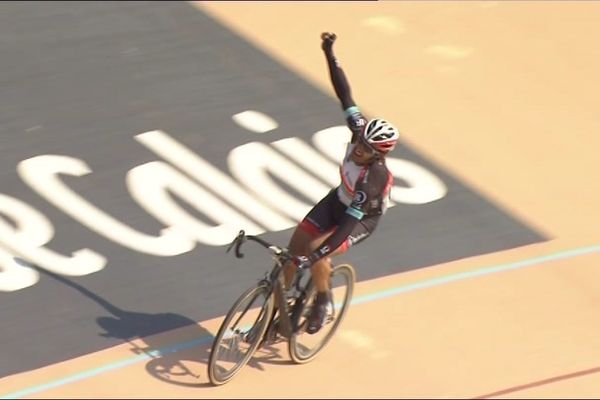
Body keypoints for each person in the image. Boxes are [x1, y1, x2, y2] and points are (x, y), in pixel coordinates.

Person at [286, 32, 400, 334]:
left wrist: (316, 257)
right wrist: (329, 52)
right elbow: (344, 95)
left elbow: (345, 229)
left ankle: (323, 300)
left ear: (378, 155)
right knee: (293, 248)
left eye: (366, 149)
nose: (358, 149)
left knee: (316, 249)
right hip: (338, 199)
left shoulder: (372, 180)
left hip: (361, 219)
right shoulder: (359, 132)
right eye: (359, 142)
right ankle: (278, 307)